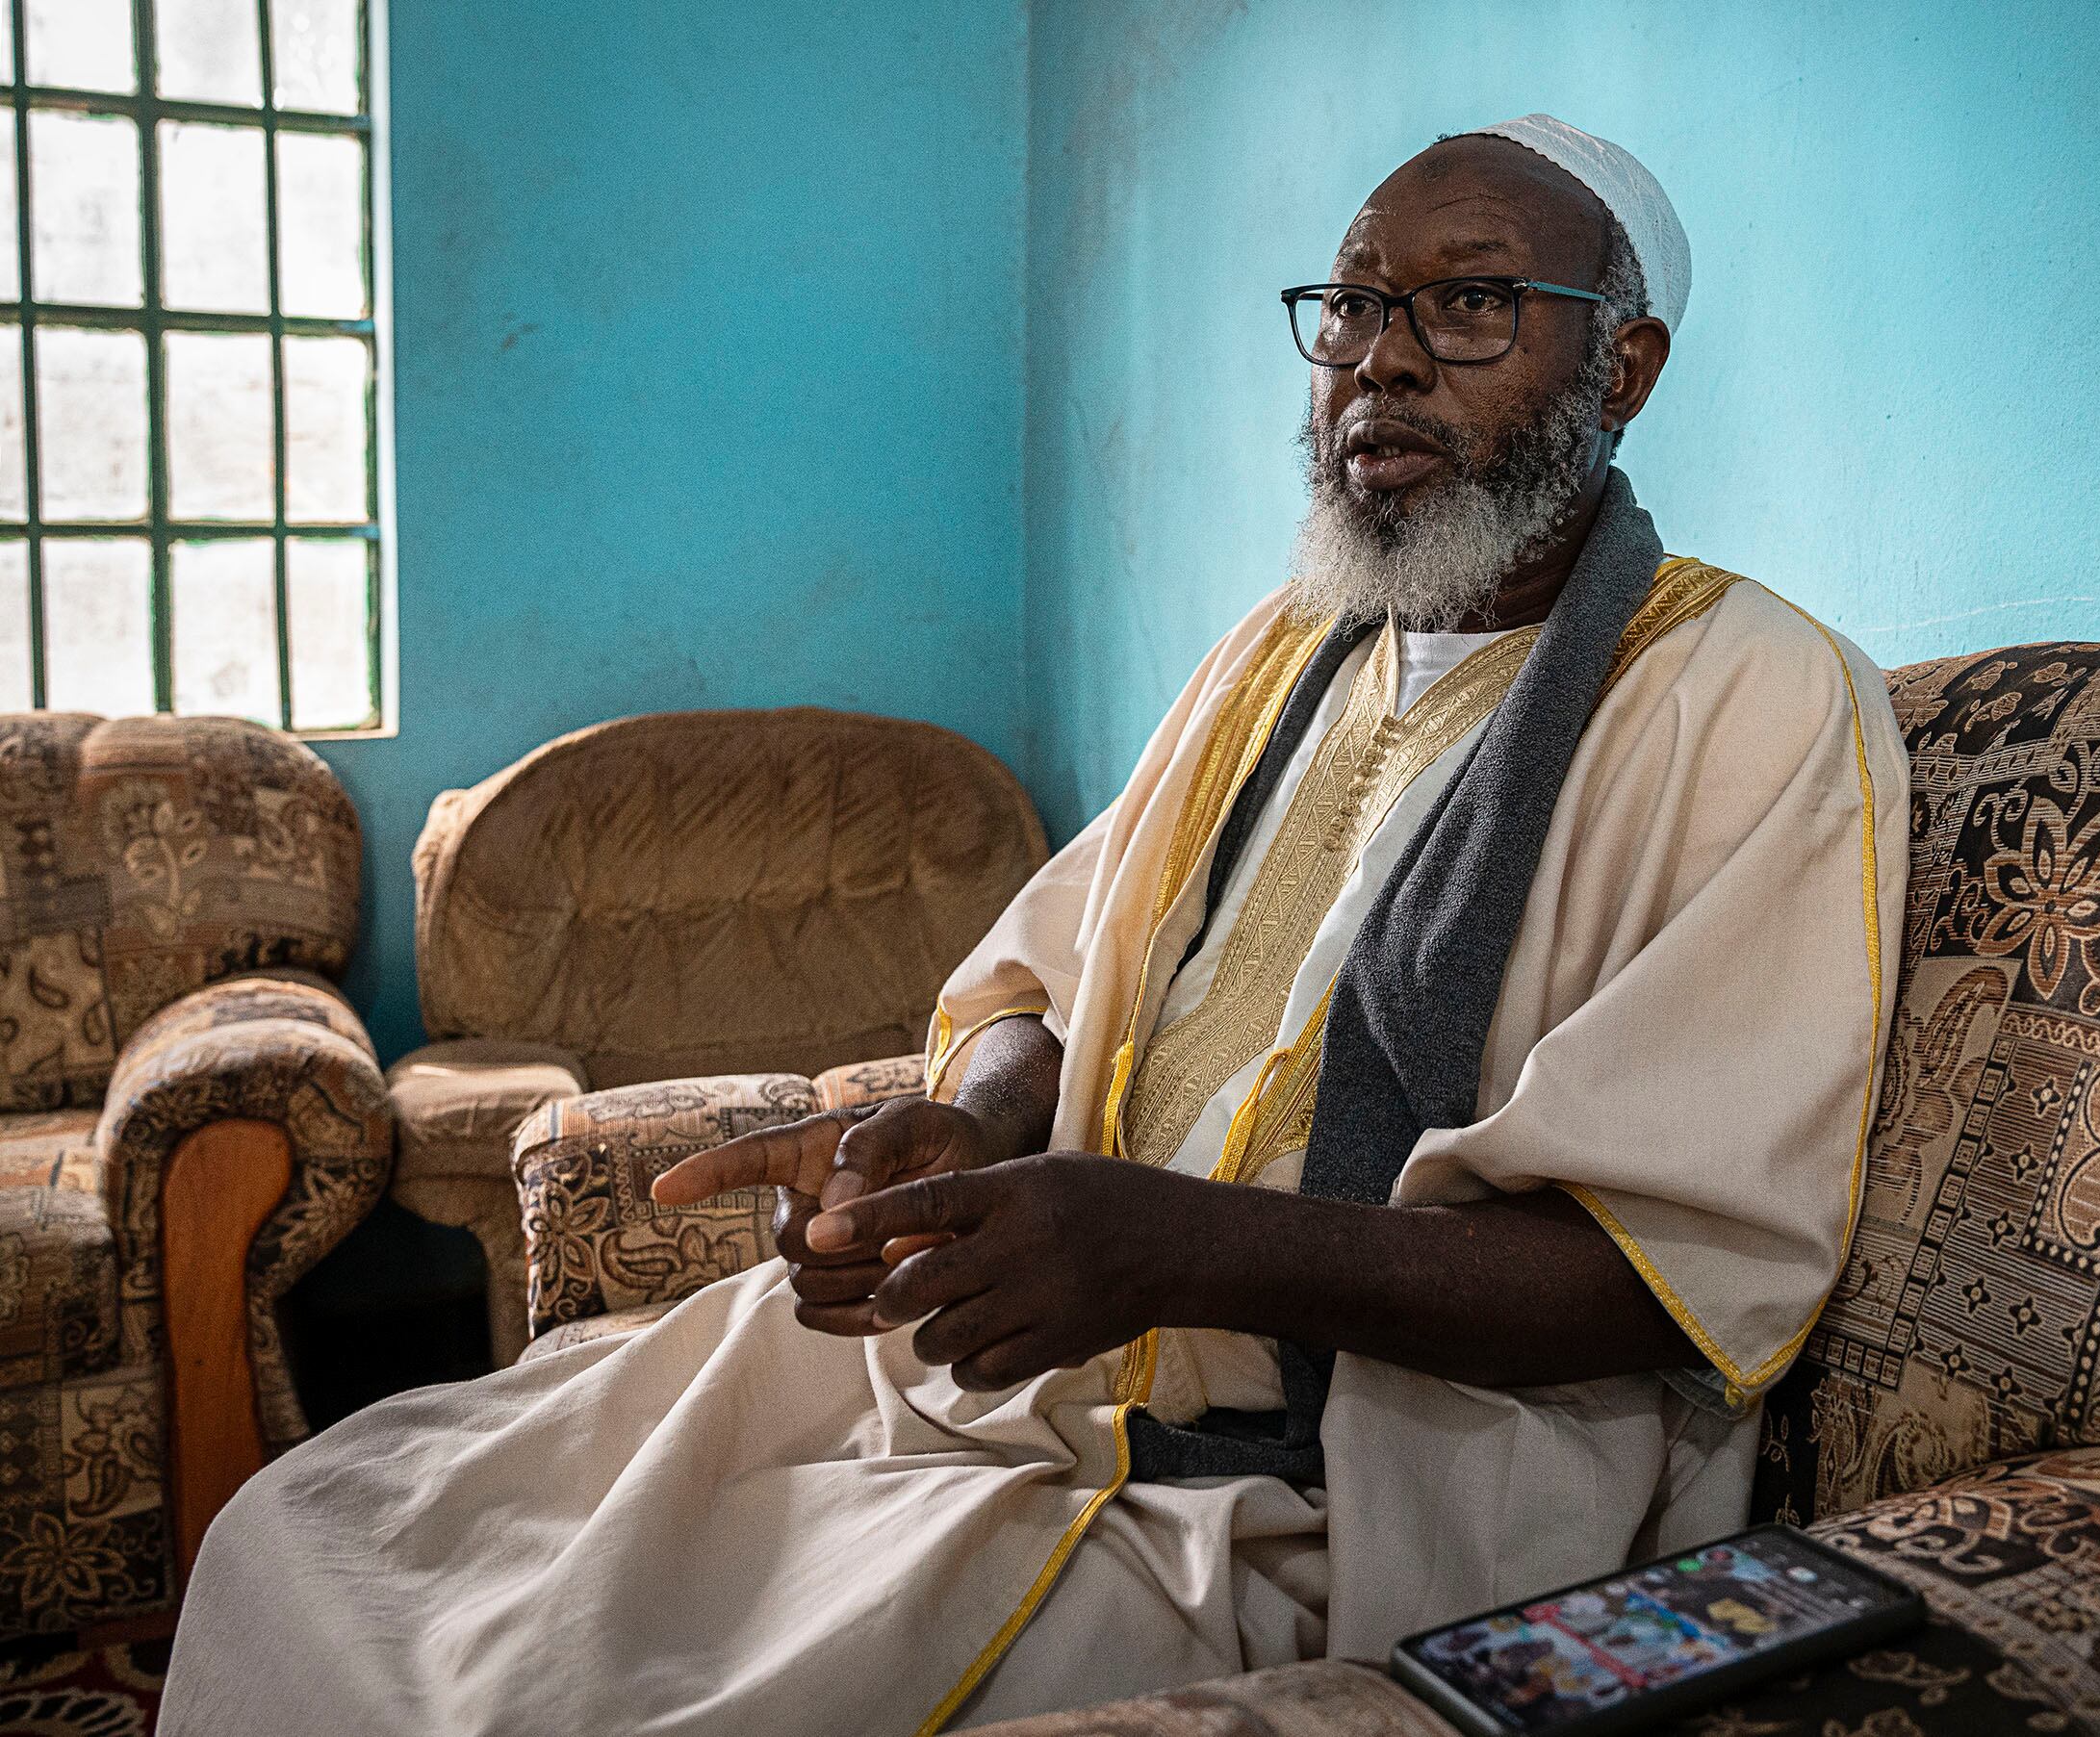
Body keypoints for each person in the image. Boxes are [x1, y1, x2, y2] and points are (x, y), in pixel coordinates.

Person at [163, 115, 1909, 1736]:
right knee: (322, 1529)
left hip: (1321, 1485)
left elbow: (1662, 1275)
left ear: (1626, 363)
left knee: (546, 1704)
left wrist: (1172, 1247)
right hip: (1016, 1373)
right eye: (1356, 304)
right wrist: (975, 1117)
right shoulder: (1286, 647)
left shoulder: (1746, 696)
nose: (1382, 356)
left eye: (1467, 305)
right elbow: (1047, 977)